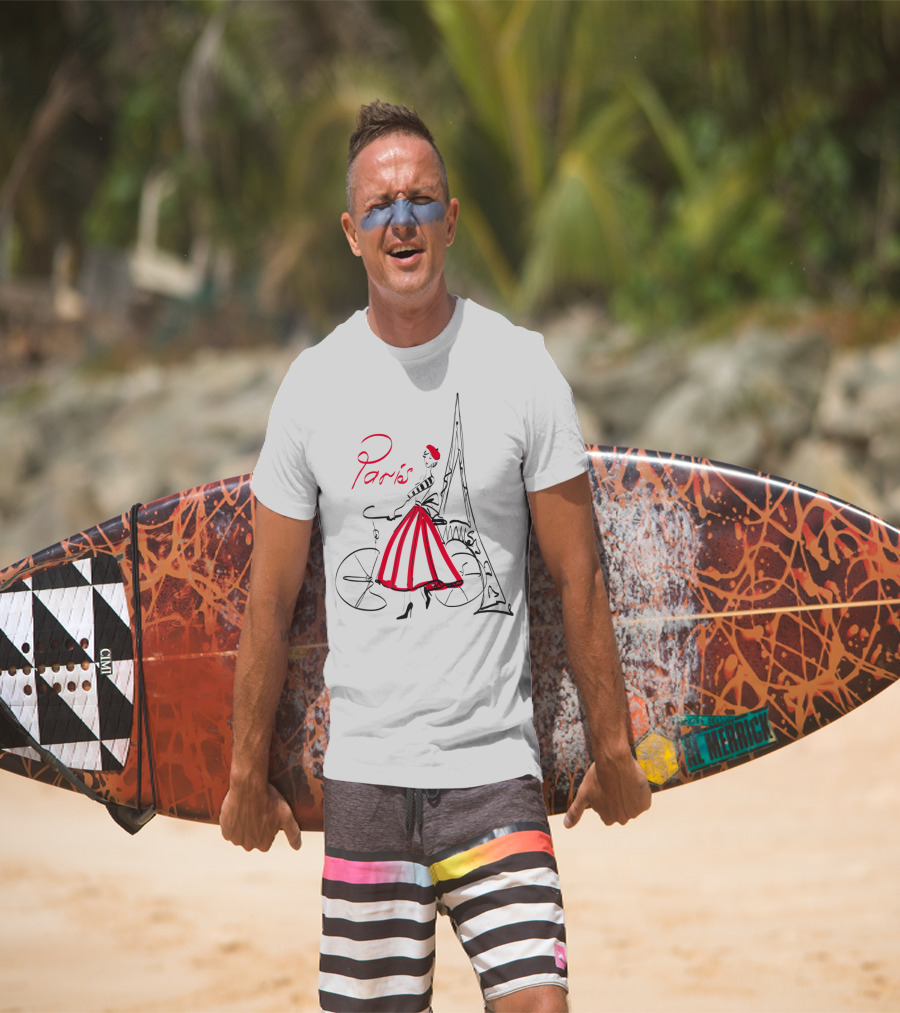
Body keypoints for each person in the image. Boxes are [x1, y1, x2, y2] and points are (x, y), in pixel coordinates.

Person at [220, 100, 651, 1013]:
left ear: (451, 219)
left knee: (540, 1003)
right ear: (351, 232)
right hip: (368, 780)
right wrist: (242, 772)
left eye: (421, 200)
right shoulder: (313, 387)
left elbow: (580, 575)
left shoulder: (521, 368)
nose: (402, 220)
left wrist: (612, 746)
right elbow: (269, 600)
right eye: (380, 206)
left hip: (495, 773)